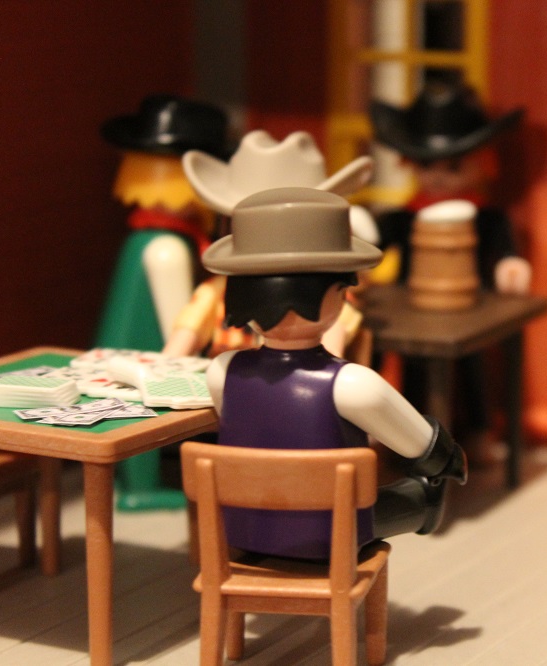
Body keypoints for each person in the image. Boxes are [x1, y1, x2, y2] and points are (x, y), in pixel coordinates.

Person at [202, 187, 467, 560]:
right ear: (331, 297)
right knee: (418, 493)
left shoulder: (222, 370)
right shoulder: (352, 384)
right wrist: (450, 458)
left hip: (244, 531)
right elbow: (420, 446)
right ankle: (425, 508)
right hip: (327, 538)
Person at [369, 83, 531, 455]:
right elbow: (376, 243)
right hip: (411, 309)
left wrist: (510, 266)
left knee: (474, 369)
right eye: (427, 165)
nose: (438, 176)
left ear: (482, 163)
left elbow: (504, 249)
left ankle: (479, 431)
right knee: (412, 370)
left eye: (454, 166)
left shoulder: (486, 217)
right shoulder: (406, 216)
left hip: (468, 309)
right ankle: (408, 439)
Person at [97, 94, 229, 511]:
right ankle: (140, 487)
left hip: (119, 350)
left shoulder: (143, 236)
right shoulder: (169, 248)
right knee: (142, 414)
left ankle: (133, 481)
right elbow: (179, 323)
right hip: (147, 352)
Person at [164, 129, 376, 359]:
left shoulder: (328, 295)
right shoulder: (217, 292)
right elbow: (179, 345)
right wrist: (165, 367)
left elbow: (330, 351)